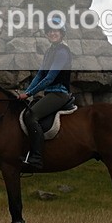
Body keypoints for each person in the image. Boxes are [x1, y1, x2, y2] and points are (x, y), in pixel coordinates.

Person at [17, 16, 72, 169]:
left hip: (59, 93)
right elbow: (40, 74)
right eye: (50, 31)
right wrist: (27, 91)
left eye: (56, 31)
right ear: (47, 34)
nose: (53, 33)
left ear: (61, 33)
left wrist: (28, 94)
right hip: (50, 93)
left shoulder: (62, 52)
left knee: (31, 116)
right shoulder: (49, 52)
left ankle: (37, 158)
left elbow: (49, 78)